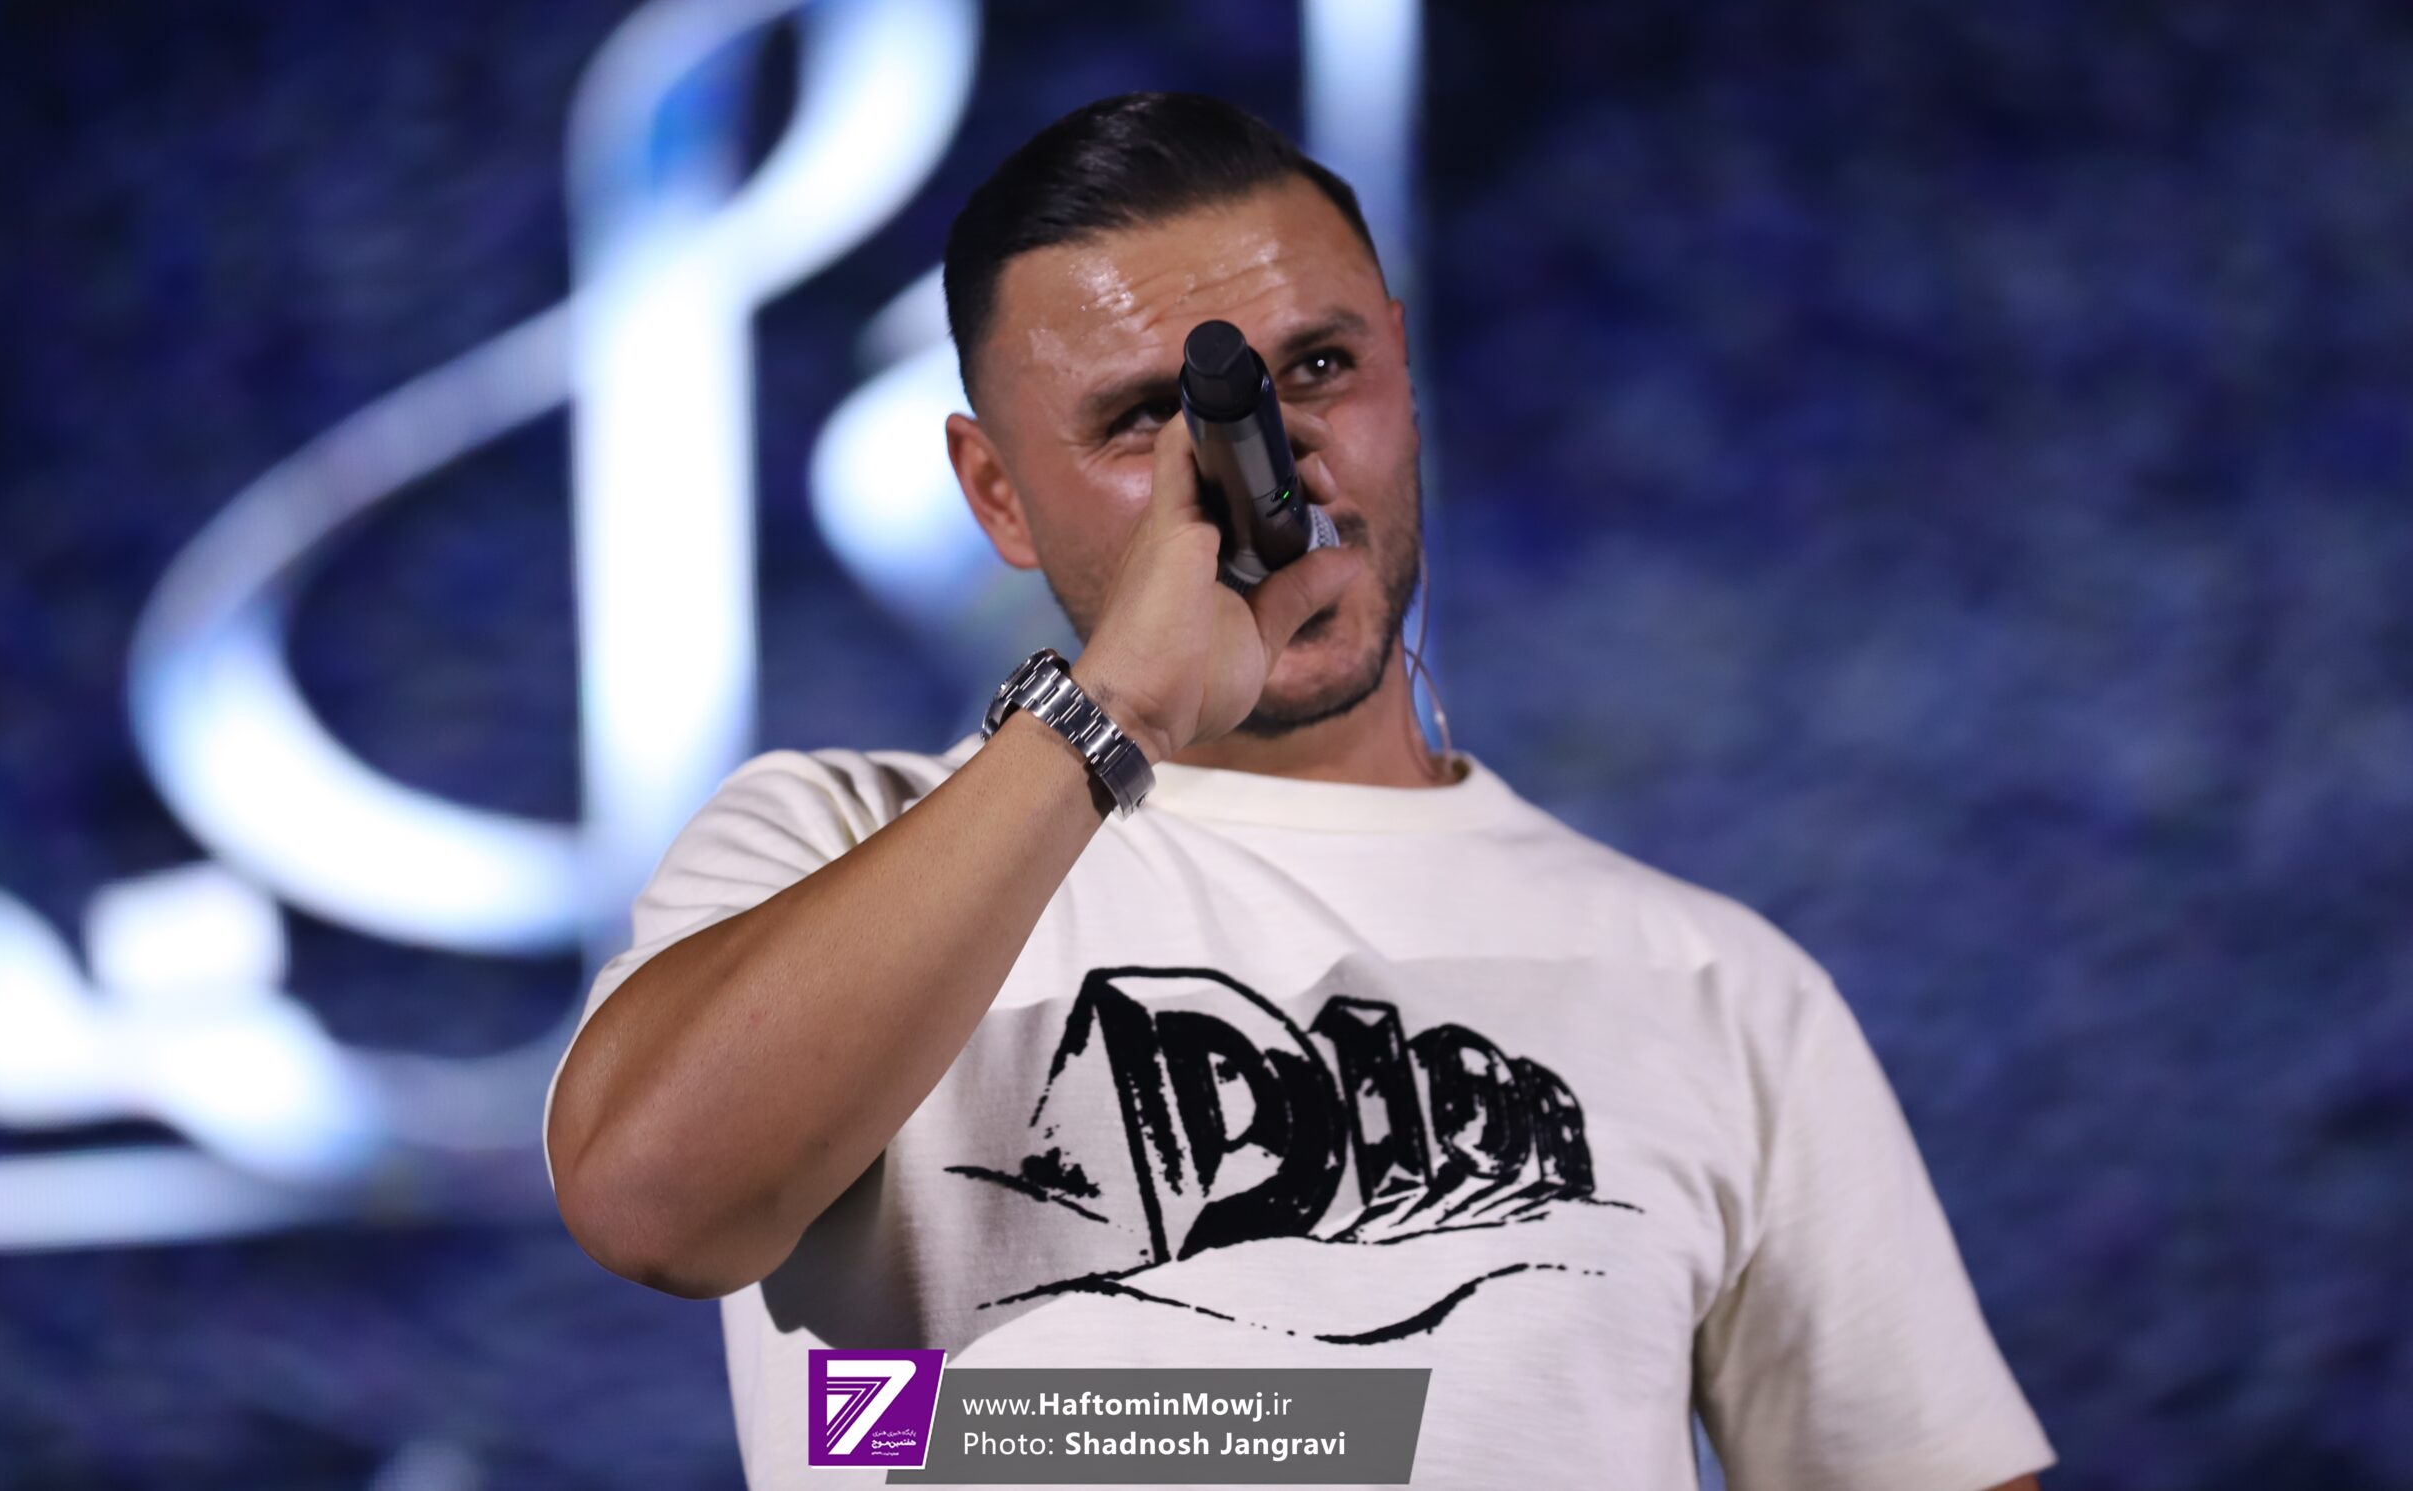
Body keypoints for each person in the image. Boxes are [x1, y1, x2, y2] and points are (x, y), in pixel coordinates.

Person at [543, 91, 2056, 1490]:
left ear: (1404, 374)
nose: (1265, 466)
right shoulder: (830, 840)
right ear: (997, 493)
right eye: (1149, 419)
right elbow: (656, 1209)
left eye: (1320, 369)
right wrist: (1117, 711)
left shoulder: (1718, 985)